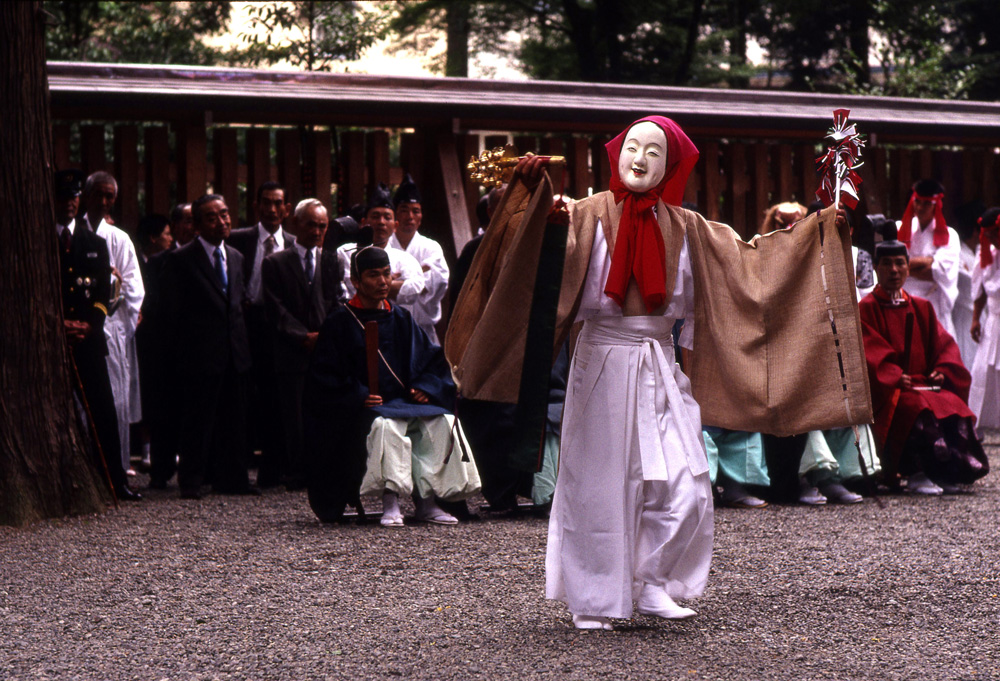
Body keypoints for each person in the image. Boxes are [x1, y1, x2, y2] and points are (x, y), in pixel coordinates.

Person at [448, 117, 870, 630]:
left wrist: (823, 226)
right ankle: (595, 598)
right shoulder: (583, 214)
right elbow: (525, 260)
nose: (640, 158)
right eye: (632, 146)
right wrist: (532, 196)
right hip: (602, 356)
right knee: (599, 482)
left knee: (684, 479)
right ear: (616, 153)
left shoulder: (687, 226)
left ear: (670, 166)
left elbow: (755, 264)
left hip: (658, 360)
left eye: (653, 151)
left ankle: (652, 583)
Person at [303, 246, 480, 526]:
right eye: (373, 275)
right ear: (356, 281)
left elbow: (430, 360)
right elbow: (324, 376)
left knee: (443, 422)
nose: (383, 281)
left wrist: (426, 387)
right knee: (387, 427)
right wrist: (359, 395)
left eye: (386, 274)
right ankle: (391, 502)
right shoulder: (339, 322)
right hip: (365, 408)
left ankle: (428, 502)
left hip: (404, 402)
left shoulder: (401, 318)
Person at [859, 239, 989, 494]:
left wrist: (942, 369)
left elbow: (943, 345)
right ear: (876, 268)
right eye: (886, 264)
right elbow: (867, 350)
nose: (894, 270)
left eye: (899, 263)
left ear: (908, 268)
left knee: (954, 406)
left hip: (923, 383)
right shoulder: (866, 309)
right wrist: (895, 375)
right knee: (918, 409)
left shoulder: (921, 306)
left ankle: (950, 471)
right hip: (891, 390)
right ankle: (918, 472)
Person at [160, 194, 257, 499]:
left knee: (236, 419)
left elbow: (238, 304)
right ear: (198, 225)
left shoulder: (237, 257)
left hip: (234, 351)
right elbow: (171, 313)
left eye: (225, 215)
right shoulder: (181, 260)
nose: (222, 222)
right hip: (199, 354)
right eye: (213, 217)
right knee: (198, 420)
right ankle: (191, 480)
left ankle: (233, 479)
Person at [54, 169, 140, 501]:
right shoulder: (39, 239)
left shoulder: (96, 243)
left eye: (74, 197)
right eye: (65, 198)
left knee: (103, 409)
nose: (70, 204)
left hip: (89, 339)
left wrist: (90, 324)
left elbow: (105, 292)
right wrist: (58, 324)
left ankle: (115, 482)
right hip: (52, 339)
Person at [262, 199, 342, 489]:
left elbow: (337, 301)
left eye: (322, 225)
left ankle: (321, 468)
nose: (317, 231)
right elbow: (275, 308)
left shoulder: (332, 260)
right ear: (295, 224)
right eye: (311, 224)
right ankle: (297, 470)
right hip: (291, 351)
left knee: (323, 411)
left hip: (324, 351)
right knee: (293, 414)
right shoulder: (275, 262)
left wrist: (325, 335)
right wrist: (301, 336)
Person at [229, 182, 297, 488]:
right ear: (256, 206)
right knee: (243, 396)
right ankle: (236, 468)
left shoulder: (295, 245)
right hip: (246, 322)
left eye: (277, 203)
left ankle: (275, 468)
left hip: (282, 328)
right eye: (266, 203)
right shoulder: (239, 240)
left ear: (286, 208)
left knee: (277, 398)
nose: (272, 209)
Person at [81, 171, 145, 479]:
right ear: (86, 195)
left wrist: (113, 285)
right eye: (99, 194)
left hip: (112, 325)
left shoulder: (119, 238)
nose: (104, 202)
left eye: (110, 197)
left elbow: (134, 288)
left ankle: (116, 468)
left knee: (114, 397)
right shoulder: (73, 233)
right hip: (79, 324)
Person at [337, 183, 426, 309]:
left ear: (395, 226)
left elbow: (416, 288)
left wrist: (371, 286)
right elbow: (348, 291)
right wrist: (394, 283)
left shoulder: (405, 258)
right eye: (375, 216)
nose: (381, 222)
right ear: (363, 222)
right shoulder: (345, 252)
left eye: (387, 217)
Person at [389, 175, 450, 343]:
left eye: (415, 211)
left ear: (421, 216)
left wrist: (392, 283)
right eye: (404, 210)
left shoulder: (431, 247)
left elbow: (437, 283)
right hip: (389, 331)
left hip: (423, 331)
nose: (410, 216)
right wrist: (418, 276)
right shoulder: (385, 246)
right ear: (395, 215)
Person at [897, 179, 961, 337]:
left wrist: (903, 267)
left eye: (926, 203)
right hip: (904, 300)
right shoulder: (901, 228)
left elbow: (935, 273)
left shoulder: (950, 235)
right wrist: (928, 259)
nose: (920, 207)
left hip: (933, 302)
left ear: (936, 204)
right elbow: (891, 265)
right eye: (917, 202)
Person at [969, 207, 1000, 432]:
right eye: (988, 235)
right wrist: (975, 319)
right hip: (992, 320)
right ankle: (985, 422)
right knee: (982, 371)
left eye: (995, 234)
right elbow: (979, 290)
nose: (992, 240)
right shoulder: (988, 255)